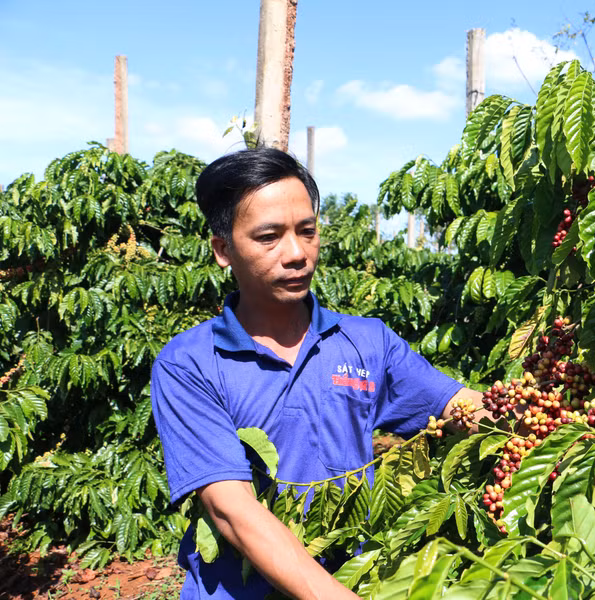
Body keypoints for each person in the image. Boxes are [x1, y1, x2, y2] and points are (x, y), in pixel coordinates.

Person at [150, 146, 488, 600]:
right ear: (222, 249)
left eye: (307, 232)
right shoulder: (189, 363)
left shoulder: (368, 341)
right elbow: (231, 509)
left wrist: (539, 421)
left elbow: (460, 407)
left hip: (357, 577)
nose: (296, 253)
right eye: (269, 237)